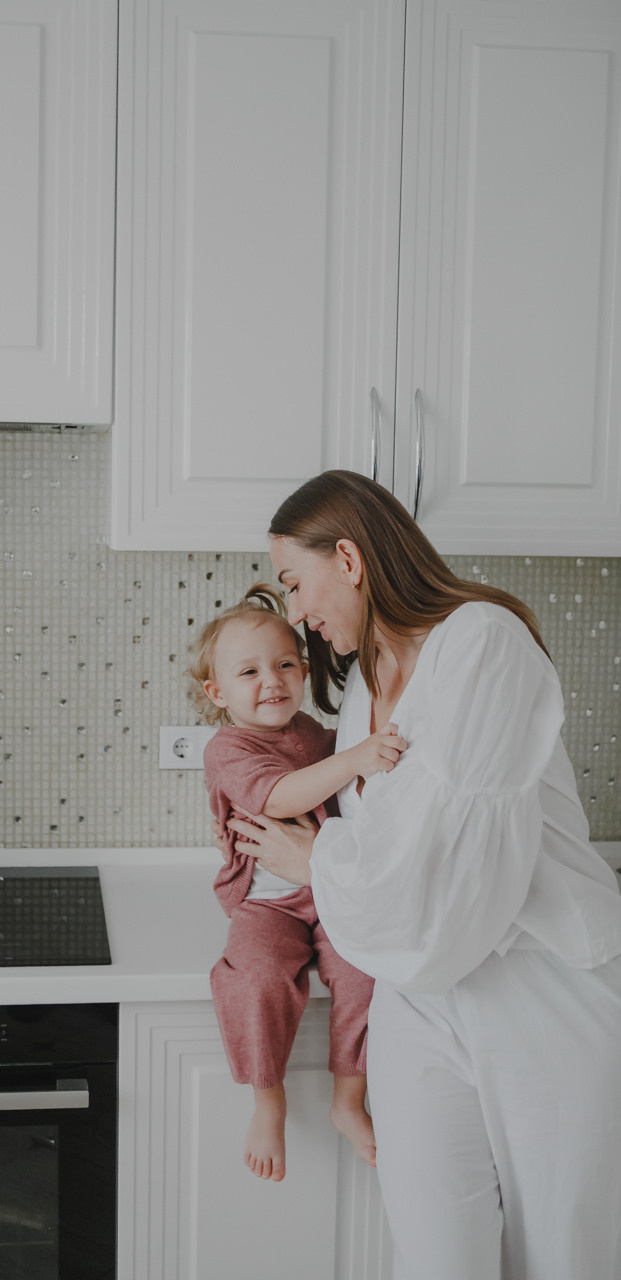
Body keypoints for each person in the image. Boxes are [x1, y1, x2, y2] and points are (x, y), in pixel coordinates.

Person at [224, 470, 621, 1280]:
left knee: (563, 1254)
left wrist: (315, 860)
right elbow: (398, 869)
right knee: (435, 1255)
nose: (294, 613)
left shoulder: (482, 642)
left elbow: (444, 879)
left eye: (295, 583)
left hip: (538, 987)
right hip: (414, 993)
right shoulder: (366, 681)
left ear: (348, 557)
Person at [187, 583, 406, 1180]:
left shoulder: (312, 734)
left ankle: (347, 1098)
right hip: (267, 906)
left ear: (305, 671)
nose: (272, 680)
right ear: (218, 692)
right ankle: (267, 1096)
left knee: (366, 975)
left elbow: (349, 785)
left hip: (329, 890)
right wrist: (358, 756)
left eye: (286, 664)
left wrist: (358, 755)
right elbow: (278, 796)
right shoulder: (227, 747)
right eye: (250, 671)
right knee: (254, 979)